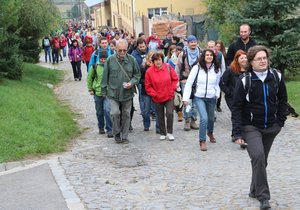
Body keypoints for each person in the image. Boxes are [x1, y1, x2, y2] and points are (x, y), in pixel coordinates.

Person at [231, 45, 288, 210]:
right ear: (251, 62)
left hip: (271, 126)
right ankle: (263, 197)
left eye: (265, 58)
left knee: (262, 161)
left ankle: (254, 188)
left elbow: (283, 99)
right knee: (258, 156)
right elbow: (236, 107)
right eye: (259, 59)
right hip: (251, 127)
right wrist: (237, 133)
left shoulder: (276, 76)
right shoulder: (245, 80)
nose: (263, 61)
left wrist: (280, 122)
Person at [101, 39, 141, 144]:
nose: (122, 52)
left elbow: (137, 75)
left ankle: (125, 135)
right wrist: (103, 91)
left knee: (126, 114)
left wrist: (131, 83)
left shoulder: (132, 60)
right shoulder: (110, 60)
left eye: (124, 50)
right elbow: (105, 76)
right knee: (115, 113)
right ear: (116, 49)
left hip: (127, 93)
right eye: (120, 50)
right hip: (113, 93)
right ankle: (117, 132)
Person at [182, 49, 221, 151]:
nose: (209, 57)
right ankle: (202, 141)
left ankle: (210, 132)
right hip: (199, 97)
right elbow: (189, 83)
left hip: (211, 97)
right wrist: (185, 98)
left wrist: (216, 94)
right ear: (203, 57)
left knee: (211, 119)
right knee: (204, 118)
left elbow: (217, 84)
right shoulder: (197, 68)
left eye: (211, 55)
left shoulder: (217, 68)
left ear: (213, 57)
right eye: (207, 55)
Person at [145, 52, 178, 141]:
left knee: (170, 113)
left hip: (169, 95)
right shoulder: (149, 71)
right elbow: (148, 86)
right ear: (153, 61)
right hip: (157, 97)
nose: (158, 62)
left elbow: (175, 78)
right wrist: (154, 94)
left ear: (162, 60)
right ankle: (163, 132)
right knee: (160, 115)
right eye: (155, 60)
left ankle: (170, 132)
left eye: (159, 59)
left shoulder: (168, 67)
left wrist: (172, 88)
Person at [219, 50, 248, 144]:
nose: (244, 60)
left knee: (243, 114)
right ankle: (239, 137)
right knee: (237, 114)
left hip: (244, 97)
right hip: (232, 98)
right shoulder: (230, 70)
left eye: (245, 57)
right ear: (237, 59)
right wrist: (230, 92)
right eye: (241, 58)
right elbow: (222, 83)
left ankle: (235, 134)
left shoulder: (249, 70)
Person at [87, 50, 113, 138]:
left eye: (104, 59)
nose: (103, 60)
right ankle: (101, 126)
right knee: (99, 112)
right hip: (97, 92)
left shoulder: (110, 66)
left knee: (107, 110)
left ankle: (110, 129)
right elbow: (89, 78)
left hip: (108, 92)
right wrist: (90, 88)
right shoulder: (95, 67)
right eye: (101, 59)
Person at [177, 35, 201, 131]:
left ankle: (193, 120)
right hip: (185, 81)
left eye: (195, 41)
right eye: (191, 42)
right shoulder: (183, 54)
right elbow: (177, 68)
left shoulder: (201, 53)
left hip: (197, 82)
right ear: (188, 43)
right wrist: (177, 82)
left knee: (195, 102)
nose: (193, 44)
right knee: (187, 101)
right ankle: (187, 120)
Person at [139, 51, 160, 132]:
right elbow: (140, 79)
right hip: (146, 91)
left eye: (153, 56)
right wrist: (147, 81)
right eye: (150, 56)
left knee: (158, 110)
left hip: (156, 91)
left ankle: (158, 127)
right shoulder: (143, 66)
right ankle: (146, 124)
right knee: (146, 110)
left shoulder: (158, 67)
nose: (151, 58)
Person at [207, 40, 226, 112]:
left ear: (215, 47)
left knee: (216, 94)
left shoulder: (220, 54)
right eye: (209, 47)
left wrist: (222, 77)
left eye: (212, 47)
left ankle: (214, 110)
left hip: (216, 77)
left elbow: (223, 66)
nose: (210, 48)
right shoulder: (204, 54)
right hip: (207, 78)